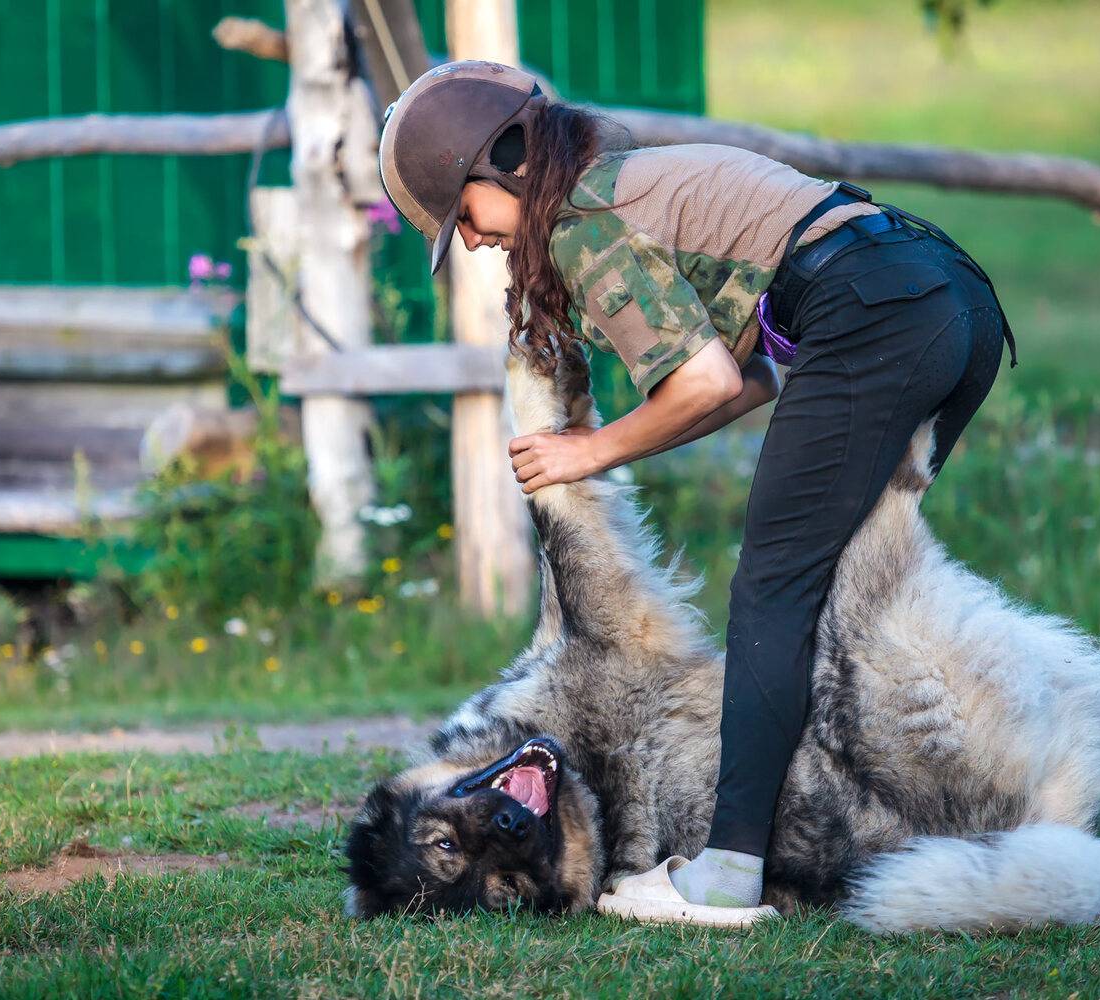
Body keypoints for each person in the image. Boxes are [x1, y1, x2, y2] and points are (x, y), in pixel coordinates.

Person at [377, 61, 1015, 926]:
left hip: (877, 306)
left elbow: (707, 381)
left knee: (773, 586)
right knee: (832, 582)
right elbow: (748, 381)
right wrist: (604, 444)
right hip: (949, 298)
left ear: (501, 167)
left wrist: (586, 453)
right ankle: (975, 775)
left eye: (465, 217)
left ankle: (728, 871)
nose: (475, 242)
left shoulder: (580, 224)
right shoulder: (621, 188)